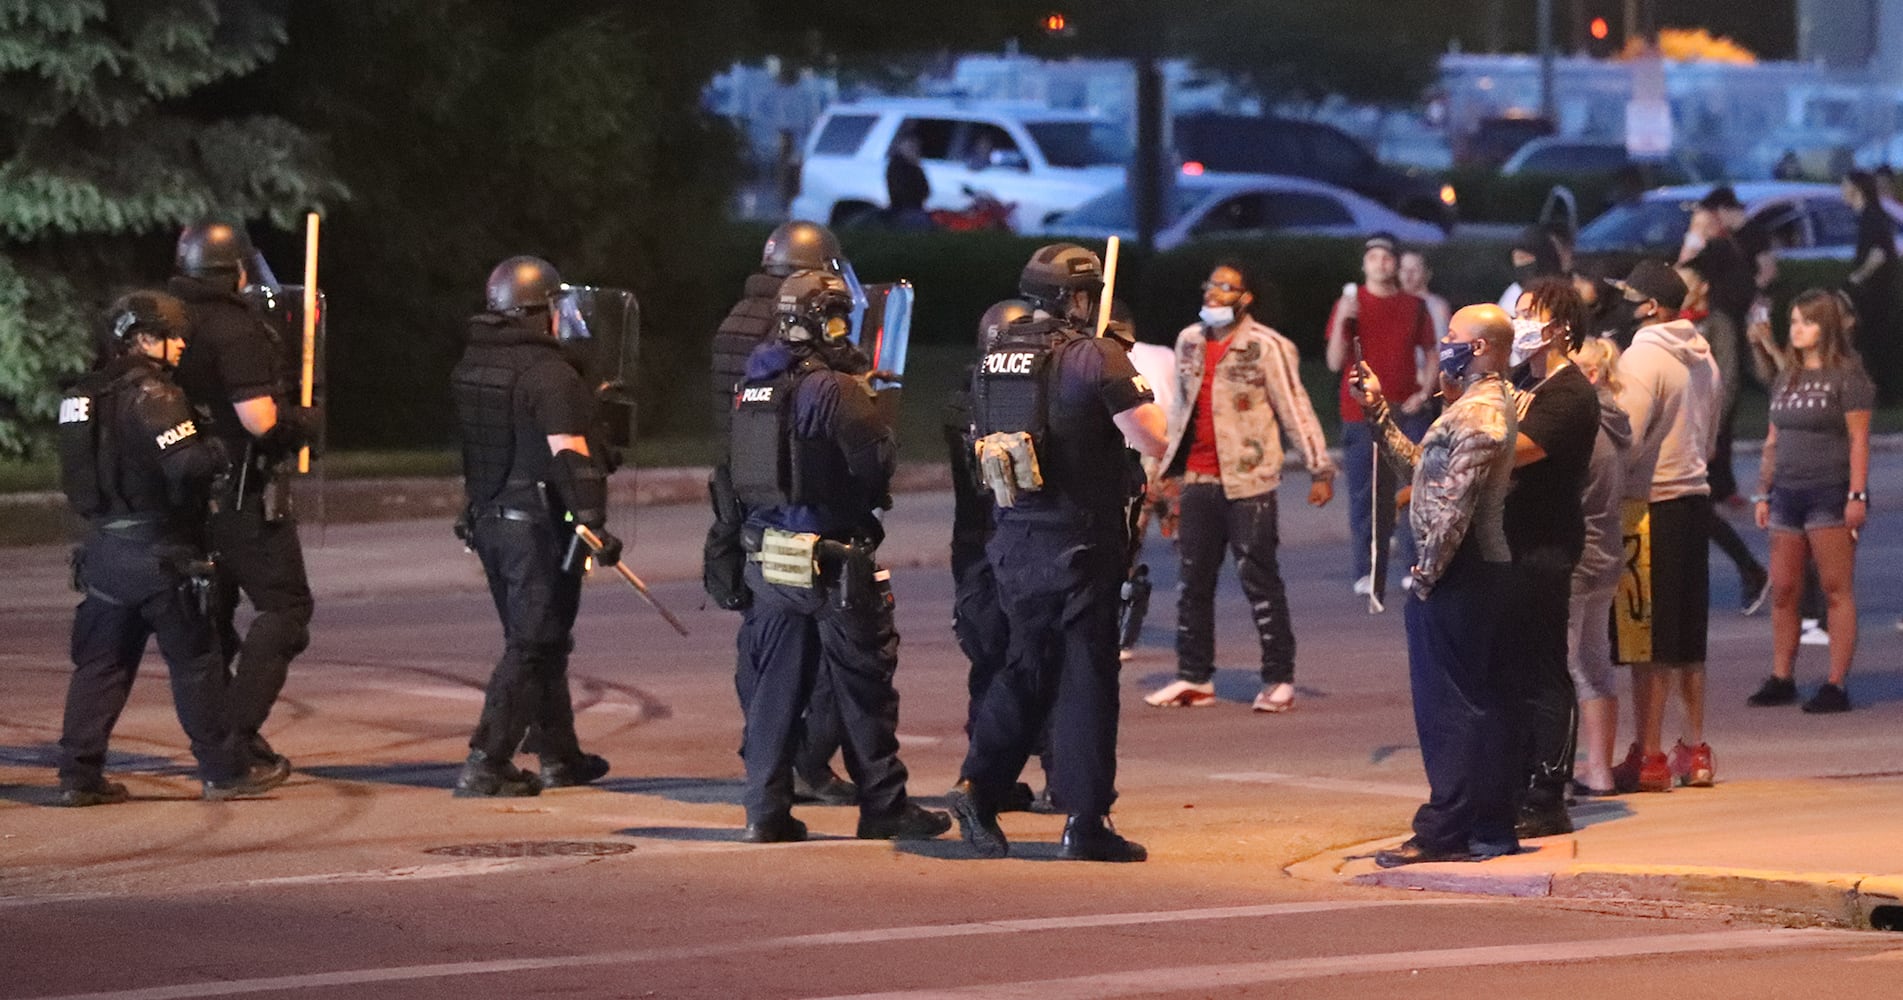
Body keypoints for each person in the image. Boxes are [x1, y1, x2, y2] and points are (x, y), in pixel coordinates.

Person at [948, 243, 1168, 863]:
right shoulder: (1092, 355)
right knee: (1086, 680)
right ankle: (1086, 819)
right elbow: (1151, 435)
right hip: (1080, 540)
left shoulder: (997, 354)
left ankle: (979, 782)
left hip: (1016, 539)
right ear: (1076, 298)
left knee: (1026, 667)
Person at [728, 269, 950, 844]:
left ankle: (765, 811)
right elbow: (874, 467)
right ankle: (884, 805)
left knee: (773, 689)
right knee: (863, 684)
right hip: (832, 557)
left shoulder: (755, 383)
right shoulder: (834, 389)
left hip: (769, 558)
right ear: (825, 321)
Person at [56, 291, 290, 805]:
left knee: (101, 666)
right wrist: (217, 451)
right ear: (140, 337)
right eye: (171, 335)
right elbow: (186, 467)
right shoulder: (155, 394)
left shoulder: (80, 396)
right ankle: (225, 772)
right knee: (197, 663)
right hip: (161, 551)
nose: (181, 344)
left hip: (104, 551)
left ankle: (78, 774)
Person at [1351, 305, 1521, 867]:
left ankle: (1445, 828)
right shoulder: (1467, 408)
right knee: (1479, 701)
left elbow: (1456, 505)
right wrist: (1377, 408)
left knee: (1449, 707)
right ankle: (1490, 824)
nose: (1445, 344)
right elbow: (1421, 468)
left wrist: (1426, 572)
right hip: (1469, 569)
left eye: (1454, 337)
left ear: (1482, 349)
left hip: (1461, 570)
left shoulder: (1481, 414)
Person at [449, 256, 621, 797]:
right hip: (536, 528)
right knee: (534, 640)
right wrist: (592, 519)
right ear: (540, 311)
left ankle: (558, 754)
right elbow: (568, 455)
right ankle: (487, 759)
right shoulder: (550, 375)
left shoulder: (474, 365)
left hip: (488, 521)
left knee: (542, 640)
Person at [704, 220, 856, 807]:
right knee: (819, 638)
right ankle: (804, 763)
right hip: (793, 498)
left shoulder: (736, 319)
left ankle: (768, 756)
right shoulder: (787, 327)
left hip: (742, 492)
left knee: (761, 634)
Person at [1144, 261, 1335, 712]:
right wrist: (1160, 472)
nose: (1214, 294)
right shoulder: (1189, 341)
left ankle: (1278, 678)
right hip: (1198, 476)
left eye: (1226, 288)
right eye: (1211, 284)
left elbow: (1295, 406)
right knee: (1192, 580)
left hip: (1249, 478)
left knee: (1258, 577)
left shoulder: (1267, 347)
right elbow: (1178, 412)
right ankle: (1194, 676)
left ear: (1246, 297)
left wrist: (1319, 468)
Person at [169, 222, 316, 774]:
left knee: (213, 615)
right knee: (286, 607)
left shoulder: (163, 319)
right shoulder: (234, 326)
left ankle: (223, 733)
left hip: (179, 490)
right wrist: (298, 423)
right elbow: (259, 420)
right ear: (236, 269)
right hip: (240, 491)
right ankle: (232, 730)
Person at [1608, 261, 1722, 793]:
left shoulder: (1642, 356)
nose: (1623, 306)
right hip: (1693, 498)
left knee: (1643, 636)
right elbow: (1712, 435)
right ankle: (1695, 748)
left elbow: (1624, 435)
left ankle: (1649, 755)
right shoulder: (1704, 357)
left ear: (1652, 307)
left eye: (1630, 297)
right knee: (1686, 634)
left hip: (1647, 504)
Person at [1501, 279, 1604, 839]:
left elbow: (1517, 448)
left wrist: (1472, 436)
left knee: (1544, 668)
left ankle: (1548, 791)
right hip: (1509, 541)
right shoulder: (1520, 382)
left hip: (1544, 544)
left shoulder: (1570, 394)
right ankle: (1514, 780)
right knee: (1511, 668)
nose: (1519, 325)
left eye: (1528, 314)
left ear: (1560, 325)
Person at [1747, 291, 1873, 714]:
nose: (1795, 328)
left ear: (1826, 327)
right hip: (1787, 493)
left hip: (1830, 492)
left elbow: (1858, 439)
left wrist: (1857, 494)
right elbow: (1772, 439)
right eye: (1794, 320)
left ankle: (1835, 683)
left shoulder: (1848, 378)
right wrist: (1764, 491)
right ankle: (1782, 676)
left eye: (1805, 321)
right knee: (1784, 589)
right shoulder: (1787, 378)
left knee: (1835, 589)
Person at [944, 298, 1045, 812]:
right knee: (1030, 657)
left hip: (973, 546)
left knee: (989, 660)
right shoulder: (997, 404)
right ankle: (1020, 773)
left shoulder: (965, 397)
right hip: (1004, 541)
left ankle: (989, 775)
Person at [1325, 234, 1437, 597]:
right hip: (1361, 411)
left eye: (1386, 257)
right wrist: (1344, 316)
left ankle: (1412, 564)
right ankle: (1366, 570)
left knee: (1411, 489)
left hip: (1405, 408)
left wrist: (1424, 391)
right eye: (1373, 257)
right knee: (1365, 494)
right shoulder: (1350, 303)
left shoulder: (1414, 306)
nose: (1380, 263)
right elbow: (1332, 361)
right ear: (1364, 265)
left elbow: (1432, 352)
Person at [1678, 259, 1769, 610]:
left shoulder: (1716, 324)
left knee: (1694, 505)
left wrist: (1713, 428)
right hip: (1679, 423)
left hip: (1702, 426)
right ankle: (1747, 568)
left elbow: (1727, 379)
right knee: (1691, 507)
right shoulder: (1670, 324)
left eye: (1685, 282)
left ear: (1700, 287)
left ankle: (1749, 568)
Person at [1565, 337, 1632, 797]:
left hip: (1576, 556)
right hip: (1607, 553)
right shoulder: (1617, 422)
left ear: (1589, 376)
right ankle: (1601, 771)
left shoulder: (1583, 427)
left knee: (1563, 667)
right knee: (1593, 664)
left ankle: (1559, 771)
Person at [1842, 171, 1899, 403]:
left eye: (1845, 185)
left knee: (1875, 342)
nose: (1842, 191)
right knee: (1873, 342)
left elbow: (1878, 254)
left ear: (1857, 188)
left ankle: (1884, 395)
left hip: (1875, 293)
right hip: (1875, 292)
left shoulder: (1871, 217)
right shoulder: (1869, 216)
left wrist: (1857, 277)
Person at [1496, 225, 1565, 314]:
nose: (1520, 264)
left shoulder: (1561, 293)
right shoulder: (1513, 292)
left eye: (1524, 258)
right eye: (1515, 259)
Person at [1400, 249, 1451, 342]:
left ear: (1427, 274)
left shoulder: (1437, 307)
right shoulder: (1392, 302)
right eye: (1403, 269)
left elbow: (1440, 342)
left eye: (1414, 270)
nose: (1408, 275)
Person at [885, 130, 932, 231]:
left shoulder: (914, 165)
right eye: (911, 146)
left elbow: (926, 190)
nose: (915, 149)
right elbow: (900, 191)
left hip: (915, 209)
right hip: (904, 210)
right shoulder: (897, 166)